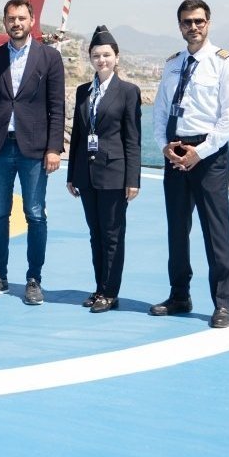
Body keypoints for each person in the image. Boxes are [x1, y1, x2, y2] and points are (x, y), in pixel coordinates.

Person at [150, 0, 229, 328]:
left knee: (215, 232)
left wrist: (199, 152)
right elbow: (160, 110)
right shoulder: (172, 64)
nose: (193, 27)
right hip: (175, 152)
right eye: (187, 22)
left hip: (209, 157)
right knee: (177, 231)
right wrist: (164, 147)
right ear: (179, 26)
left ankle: (222, 303)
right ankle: (179, 295)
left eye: (199, 21)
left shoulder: (224, 63)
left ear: (208, 23)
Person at [0, 0, 65, 305]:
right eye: (11, 18)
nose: (16, 23)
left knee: (35, 214)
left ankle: (34, 279)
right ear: (5, 22)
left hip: (34, 150)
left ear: (32, 21)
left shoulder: (50, 57)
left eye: (21, 18)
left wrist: (54, 148)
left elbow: (57, 107)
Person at [66, 26, 141, 314]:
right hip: (86, 174)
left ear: (117, 57)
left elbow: (132, 139)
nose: (102, 60)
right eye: (96, 55)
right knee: (95, 234)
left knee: (112, 235)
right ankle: (99, 287)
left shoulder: (128, 92)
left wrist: (132, 179)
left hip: (114, 174)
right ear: (91, 59)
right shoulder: (83, 91)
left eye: (107, 55)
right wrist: (72, 174)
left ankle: (110, 292)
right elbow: (78, 136)